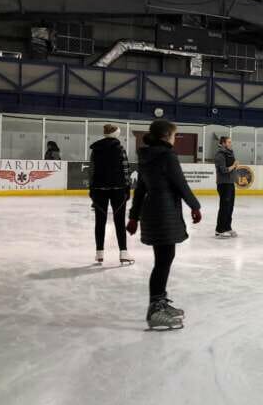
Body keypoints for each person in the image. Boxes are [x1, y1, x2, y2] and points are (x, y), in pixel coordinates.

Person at [127, 120, 202, 330]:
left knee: (163, 259)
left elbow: (140, 190)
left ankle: (159, 301)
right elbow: (180, 184)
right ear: (166, 135)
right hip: (164, 211)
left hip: (152, 212)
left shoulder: (147, 156)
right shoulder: (167, 156)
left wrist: (134, 217)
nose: (174, 140)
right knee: (164, 260)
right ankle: (155, 310)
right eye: (174, 136)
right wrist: (195, 206)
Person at [90, 124, 133, 265]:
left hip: (99, 189)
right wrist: (128, 188)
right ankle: (123, 253)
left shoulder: (95, 150)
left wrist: (92, 189)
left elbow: (92, 170)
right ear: (116, 134)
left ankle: (99, 254)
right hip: (118, 189)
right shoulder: (120, 149)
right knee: (119, 221)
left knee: (99, 221)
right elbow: (126, 169)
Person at [213, 136, 239, 238]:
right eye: (228, 142)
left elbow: (232, 168)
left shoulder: (230, 153)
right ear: (223, 143)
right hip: (223, 184)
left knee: (230, 207)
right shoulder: (220, 155)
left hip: (230, 183)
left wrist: (234, 168)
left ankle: (227, 227)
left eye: (230, 142)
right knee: (224, 207)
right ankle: (219, 230)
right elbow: (223, 170)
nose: (230, 144)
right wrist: (234, 165)